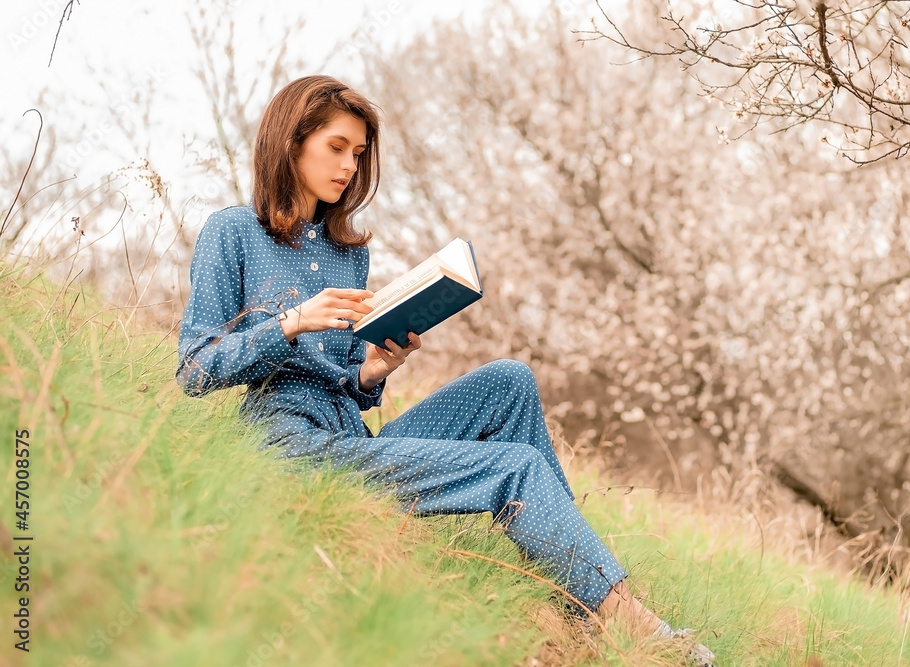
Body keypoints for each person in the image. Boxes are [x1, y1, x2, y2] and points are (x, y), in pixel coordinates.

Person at [175, 75, 714, 666]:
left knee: (509, 379)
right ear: (291, 142)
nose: (349, 166)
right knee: (515, 467)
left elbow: (345, 382)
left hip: (350, 440)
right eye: (336, 147)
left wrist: (372, 371)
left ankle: (576, 597)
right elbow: (195, 369)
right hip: (288, 448)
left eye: (358, 153)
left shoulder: (349, 254)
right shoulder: (234, 232)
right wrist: (290, 324)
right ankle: (638, 629)